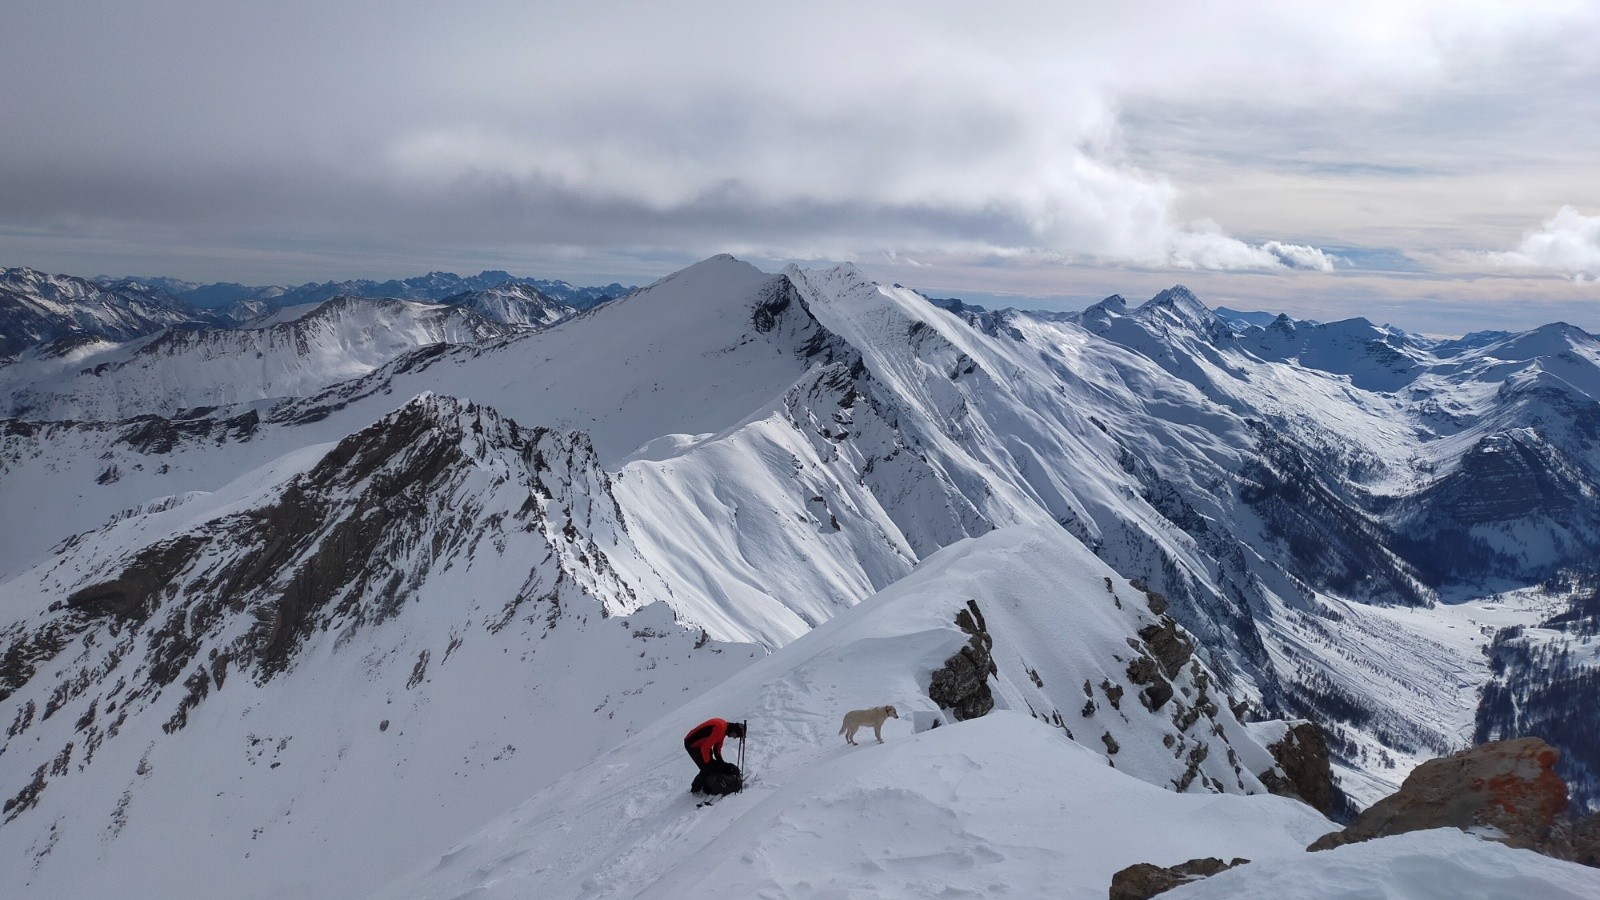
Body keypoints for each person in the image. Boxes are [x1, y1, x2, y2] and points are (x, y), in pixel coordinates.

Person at [684, 717, 745, 795]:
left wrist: (722, 765)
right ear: (733, 730)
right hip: (692, 744)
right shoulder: (720, 729)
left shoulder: (724, 729)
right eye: (735, 735)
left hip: (702, 744)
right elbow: (705, 748)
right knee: (706, 768)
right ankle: (695, 789)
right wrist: (708, 764)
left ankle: (708, 782)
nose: (733, 737)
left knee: (712, 765)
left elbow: (717, 750)